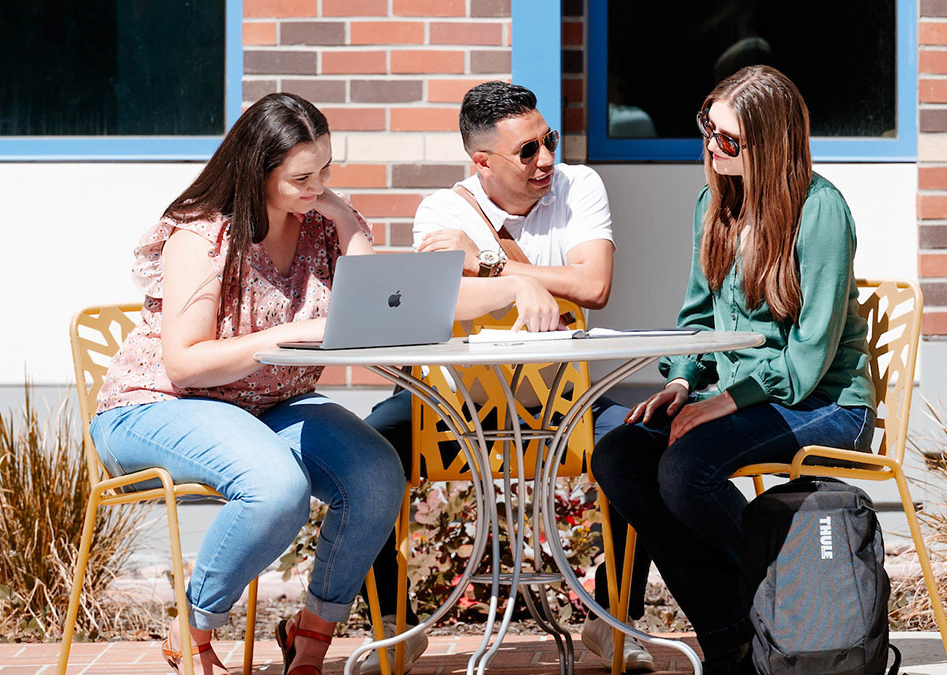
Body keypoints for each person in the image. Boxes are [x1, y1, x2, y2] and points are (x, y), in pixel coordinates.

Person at [89, 93, 403, 675]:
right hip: (157, 406)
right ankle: (193, 627)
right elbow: (184, 364)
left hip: (268, 406)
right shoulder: (204, 234)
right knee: (276, 486)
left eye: (326, 171)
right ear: (258, 173)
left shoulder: (319, 224)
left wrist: (340, 215)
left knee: (376, 474)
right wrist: (291, 334)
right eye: (302, 176)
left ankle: (310, 640)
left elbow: (374, 308)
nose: (317, 187)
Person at [361, 81, 655, 674]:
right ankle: (394, 627)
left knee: (639, 447)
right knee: (365, 453)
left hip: (564, 404)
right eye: (528, 151)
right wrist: (530, 282)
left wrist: (498, 262)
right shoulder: (442, 211)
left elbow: (594, 286)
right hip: (451, 408)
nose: (546, 159)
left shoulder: (580, 186)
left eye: (547, 141)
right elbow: (449, 299)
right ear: (483, 162)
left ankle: (612, 618)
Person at [591, 65, 877, 675]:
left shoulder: (820, 212)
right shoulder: (714, 204)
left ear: (769, 147)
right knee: (618, 455)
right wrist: (681, 381)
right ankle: (733, 635)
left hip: (826, 401)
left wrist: (722, 401)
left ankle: (778, 603)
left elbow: (807, 361)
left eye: (729, 140)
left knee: (686, 468)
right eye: (708, 129)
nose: (711, 147)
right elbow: (697, 320)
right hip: (741, 395)